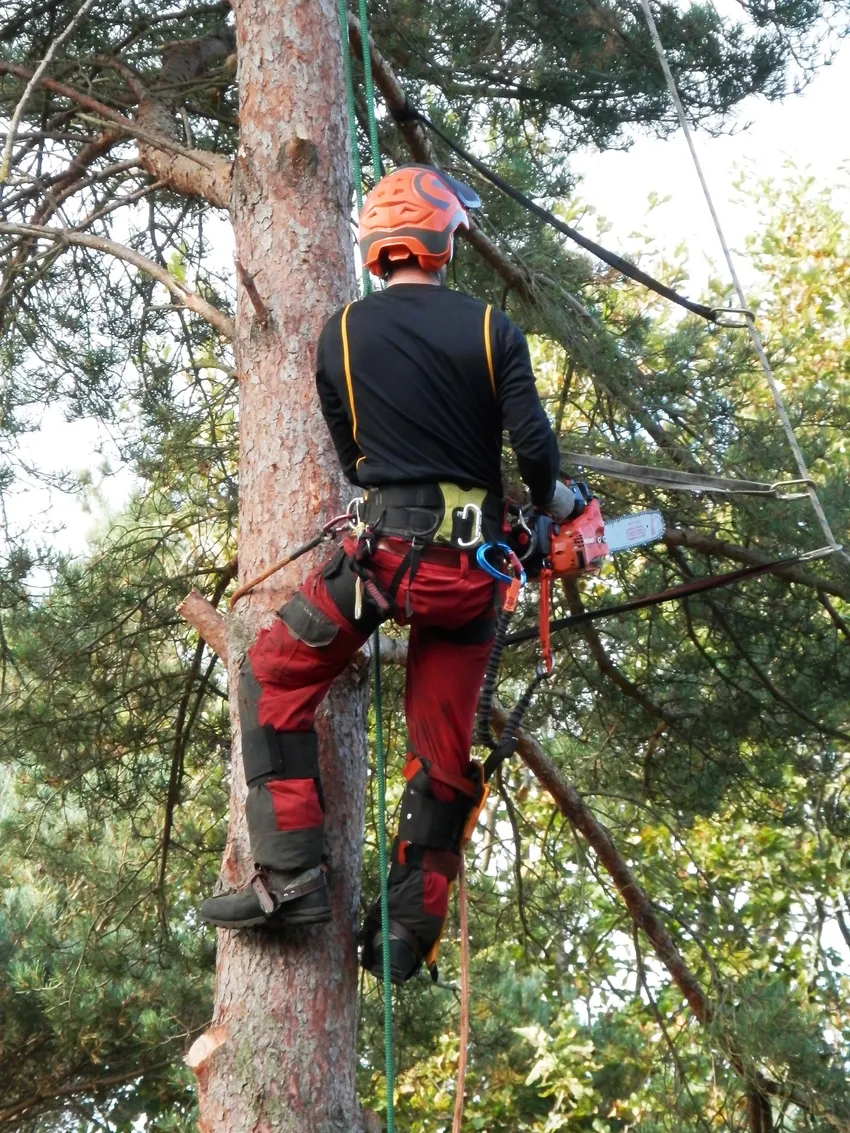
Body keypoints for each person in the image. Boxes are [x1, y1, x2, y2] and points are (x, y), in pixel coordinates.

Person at [200, 164, 581, 983]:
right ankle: (407, 930)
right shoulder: (491, 330)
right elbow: (538, 458)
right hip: (473, 579)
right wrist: (561, 501)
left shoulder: (338, 333)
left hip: (384, 566)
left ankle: (293, 874)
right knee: (441, 751)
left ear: (379, 248)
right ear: (442, 240)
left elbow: (352, 457)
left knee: (272, 679)